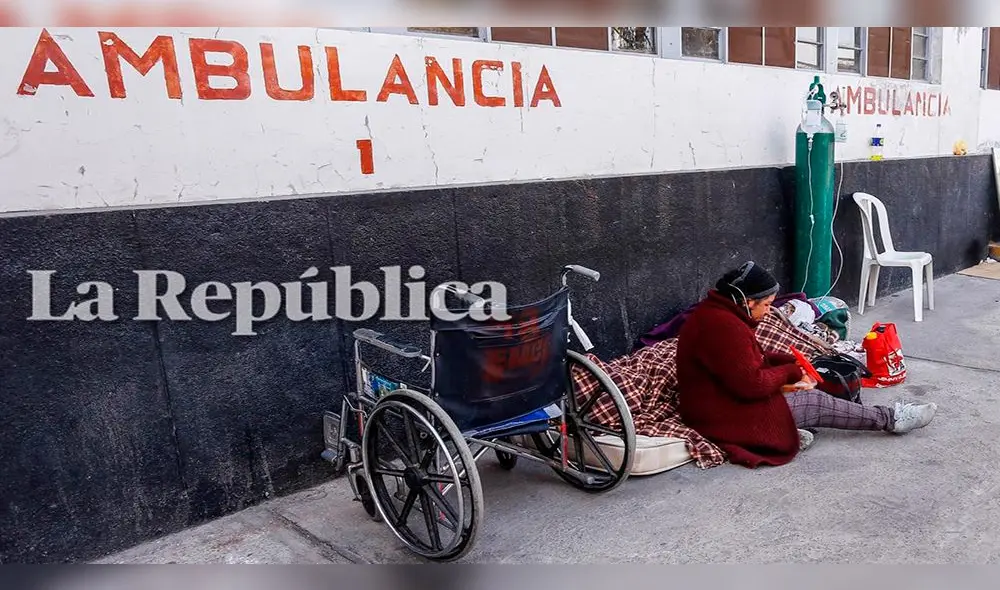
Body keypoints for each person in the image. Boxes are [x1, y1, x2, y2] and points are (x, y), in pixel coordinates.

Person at [675, 261, 937, 468]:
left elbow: (742, 362)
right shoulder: (723, 325)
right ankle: (892, 419)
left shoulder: (716, 313)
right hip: (719, 416)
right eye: (766, 305)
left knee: (806, 387)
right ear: (747, 301)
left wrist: (788, 362)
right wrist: (790, 371)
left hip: (718, 403)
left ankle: (784, 431)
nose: (768, 311)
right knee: (813, 401)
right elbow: (751, 385)